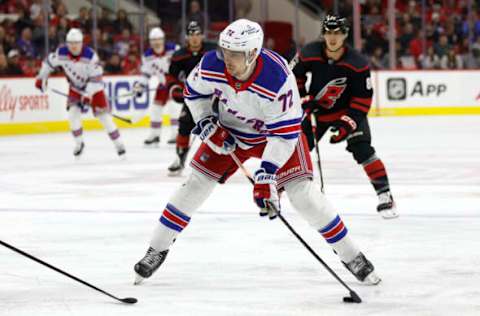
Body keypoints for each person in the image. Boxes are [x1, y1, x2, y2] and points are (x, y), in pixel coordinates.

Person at [133, 19, 381, 286]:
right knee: (193, 185)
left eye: (235, 54)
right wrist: (205, 122)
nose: (227, 59)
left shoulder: (278, 78)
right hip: (230, 130)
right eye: (225, 51)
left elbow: (284, 135)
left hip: (275, 136)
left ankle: (351, 254)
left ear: (252, 53)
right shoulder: (211, 64)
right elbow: (193, 93)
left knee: (304, 196)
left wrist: (267, 174)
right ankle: (156, 248)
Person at [291, 15, 397, 219]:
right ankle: (278, 187)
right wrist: (303, 98)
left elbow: (362, 99)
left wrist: (346, 124)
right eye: (329, 32)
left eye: (337, 33)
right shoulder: (308, 52)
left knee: (362, 149)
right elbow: (292, 77)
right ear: (323, 34)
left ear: (345, 35)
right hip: (318, 111)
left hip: (348, 111)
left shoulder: (357, 63)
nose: (332, 38)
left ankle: (385, 194)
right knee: (298, 148)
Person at [35, 28, 126, 158]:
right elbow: (48, 63)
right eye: (71, 43)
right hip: (75, 88)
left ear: (82, 43)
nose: (73, 46)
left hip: (95, 89)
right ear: (67, 43)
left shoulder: (91, 56)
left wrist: (88, 96)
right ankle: (79, 143)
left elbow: (95, 80)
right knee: (72, 116)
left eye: (76, 43)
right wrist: (41, 78)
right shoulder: (61, 53)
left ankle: (119, 144)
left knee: (104, 118)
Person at [166, 21, 217, 175]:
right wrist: (175, 88)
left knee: (219, 128)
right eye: (191, 35)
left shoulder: (213, 51)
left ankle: (218, 161)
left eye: (197, 34)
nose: (195, 38)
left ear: (202, 35)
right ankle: (180, 159)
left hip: (214, 96)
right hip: (193, 96)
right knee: (184, 124)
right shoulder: (179, 56)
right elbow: (171, 77)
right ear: (187, 37)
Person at [134, 27, 178, 146]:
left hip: (176, 83)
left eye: (159, 39)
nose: (156, 42)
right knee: (155, 109)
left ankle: (176, 134)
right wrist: (140, 86)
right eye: (153, 40)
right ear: (150, 42)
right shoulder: (147, 56)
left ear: (163, 40)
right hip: (163, 84)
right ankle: (155, 135)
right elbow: (146, 74)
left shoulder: (174, 49)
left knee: (174, 108)